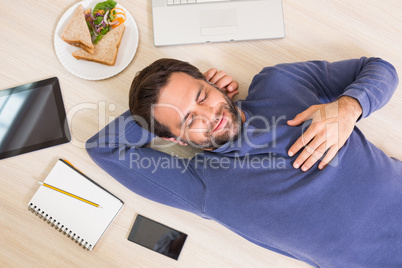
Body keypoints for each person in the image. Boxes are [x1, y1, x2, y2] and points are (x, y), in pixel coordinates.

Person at [86, 57, 401, 267]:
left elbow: (379, 69)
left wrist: (348, 108)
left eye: (202, 96)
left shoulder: (279, 83)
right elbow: (103, 147)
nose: (211, 115)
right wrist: (151, 111)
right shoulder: (203, 184)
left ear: (213, 82)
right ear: (176, 140)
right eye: (189, 120)